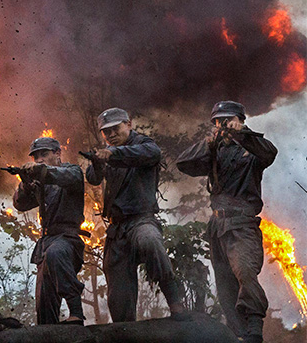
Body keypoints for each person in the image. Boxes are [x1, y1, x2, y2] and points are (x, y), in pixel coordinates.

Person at [176, 101, 277, 343]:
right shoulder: (215, 151)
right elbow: (183, 163)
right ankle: (238, 335)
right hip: (217, 226)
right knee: (224, 284)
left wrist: (241, 134)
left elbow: (270, 153)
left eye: (228, 120)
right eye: (219, 122)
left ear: (241, 120)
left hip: (242, 223)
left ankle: (253, 331)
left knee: (244, 272)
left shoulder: (252, 149)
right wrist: (210, 142)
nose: (224, 126)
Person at [85, 108, 187, 322]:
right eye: (106, 131)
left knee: (150, 242)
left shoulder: (144, 145)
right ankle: (125, 331)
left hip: (142, 219)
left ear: (128, 124)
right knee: (117, 291)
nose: (111, 135)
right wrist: (97, 162)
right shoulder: (107, 151)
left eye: (115, 128)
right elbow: (93, 178)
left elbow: (152, 154)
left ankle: (175, 302)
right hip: (117, 228)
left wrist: (113, 154)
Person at [10, 136, 85, 325]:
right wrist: (26, 184)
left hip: (67, 239)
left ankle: (76, 312)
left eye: (44, 154)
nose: (39, 160)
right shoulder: (40, 183)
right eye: (36, 157)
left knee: (56, 253)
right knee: (44, 303)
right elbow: (20, 205)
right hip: (46, 242)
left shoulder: (72, 171)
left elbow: (66, 177)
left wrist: (41, 172)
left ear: (58, 153)